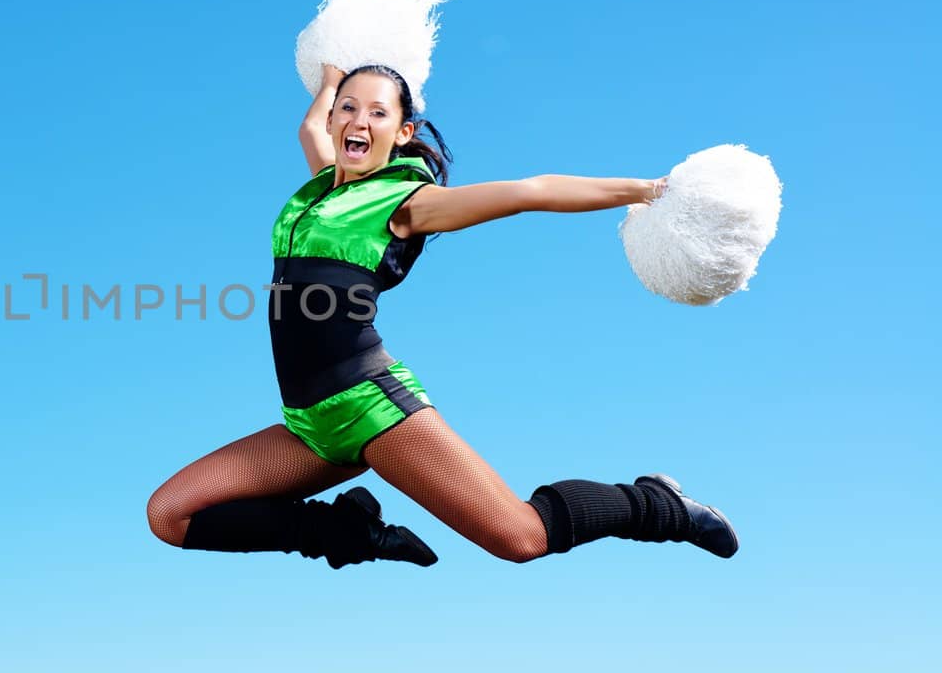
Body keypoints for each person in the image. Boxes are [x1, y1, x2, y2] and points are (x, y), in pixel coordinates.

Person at [145, 63, 739, 569]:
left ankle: (658, 504)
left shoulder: (407, 202)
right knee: (170, 515)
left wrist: (649, 190)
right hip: (307, 424)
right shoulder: (322, 186)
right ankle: (345, 531)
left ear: (402, 132)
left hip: (368, 405)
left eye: (378, 114)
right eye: (347, 108)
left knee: (521, 539)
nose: (357, 120)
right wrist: (331, 63)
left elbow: (530, 191)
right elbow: (310, 121)